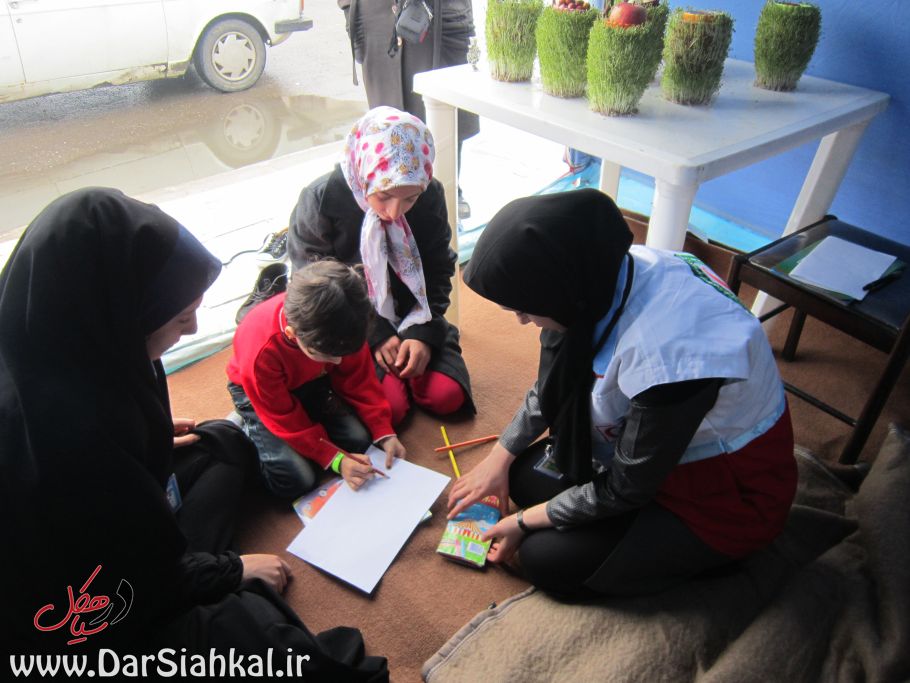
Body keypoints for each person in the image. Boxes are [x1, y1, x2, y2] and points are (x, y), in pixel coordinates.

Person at [0, 188, 388, 680]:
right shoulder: (65, 437)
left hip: (129, 527)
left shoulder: (75, 339)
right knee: (257, 633)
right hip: (83, 611)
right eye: (182, 317)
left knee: (224, 445)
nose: (192, 329)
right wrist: (231, 570)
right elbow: (124, 579)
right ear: (126, 313)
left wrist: (148, 437)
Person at [448, 189, 797, 598]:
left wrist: (523, 522)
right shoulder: (600, 274)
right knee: (521, 476)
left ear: (559, 293)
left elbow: (627, 487)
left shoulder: (668, 361)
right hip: (653, 456)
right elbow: (554, 384)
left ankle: (698, 557)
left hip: (722, 497)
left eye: (524, 308)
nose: (522, 321)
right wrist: (498, 456)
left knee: (544, 558)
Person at [288, 106, 474, 426]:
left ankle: (415, 350)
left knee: (447, 396)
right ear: (365, 173)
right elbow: (316, 289)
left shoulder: (429, 192)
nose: (394, 212)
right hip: (352, 323)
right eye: (384, 196)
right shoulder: (320, 200)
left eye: (409, 199)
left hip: (419, 312)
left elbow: (439, 266)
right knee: (392, 409)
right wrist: (375, 335)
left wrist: (421, 334)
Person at [227, 259, 407, 499]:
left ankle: (308, 425)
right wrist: (335, 459)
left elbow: (359, 379)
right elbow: (282, 415)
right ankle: (245, 424)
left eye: (341, 355)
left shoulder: (346, 322)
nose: (338, 362)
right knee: (297, 480)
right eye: (327, 355)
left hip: (311, 380)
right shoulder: (261, 352)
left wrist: (384, 431)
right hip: (257, 393)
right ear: (292, 335)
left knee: (360, 440)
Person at [339, 0, 479, 218]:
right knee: (387, 121)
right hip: (376, 13)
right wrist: (349, 10)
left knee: (444, 109)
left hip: (438, 11)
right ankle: (392, 193)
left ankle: (447, 190)